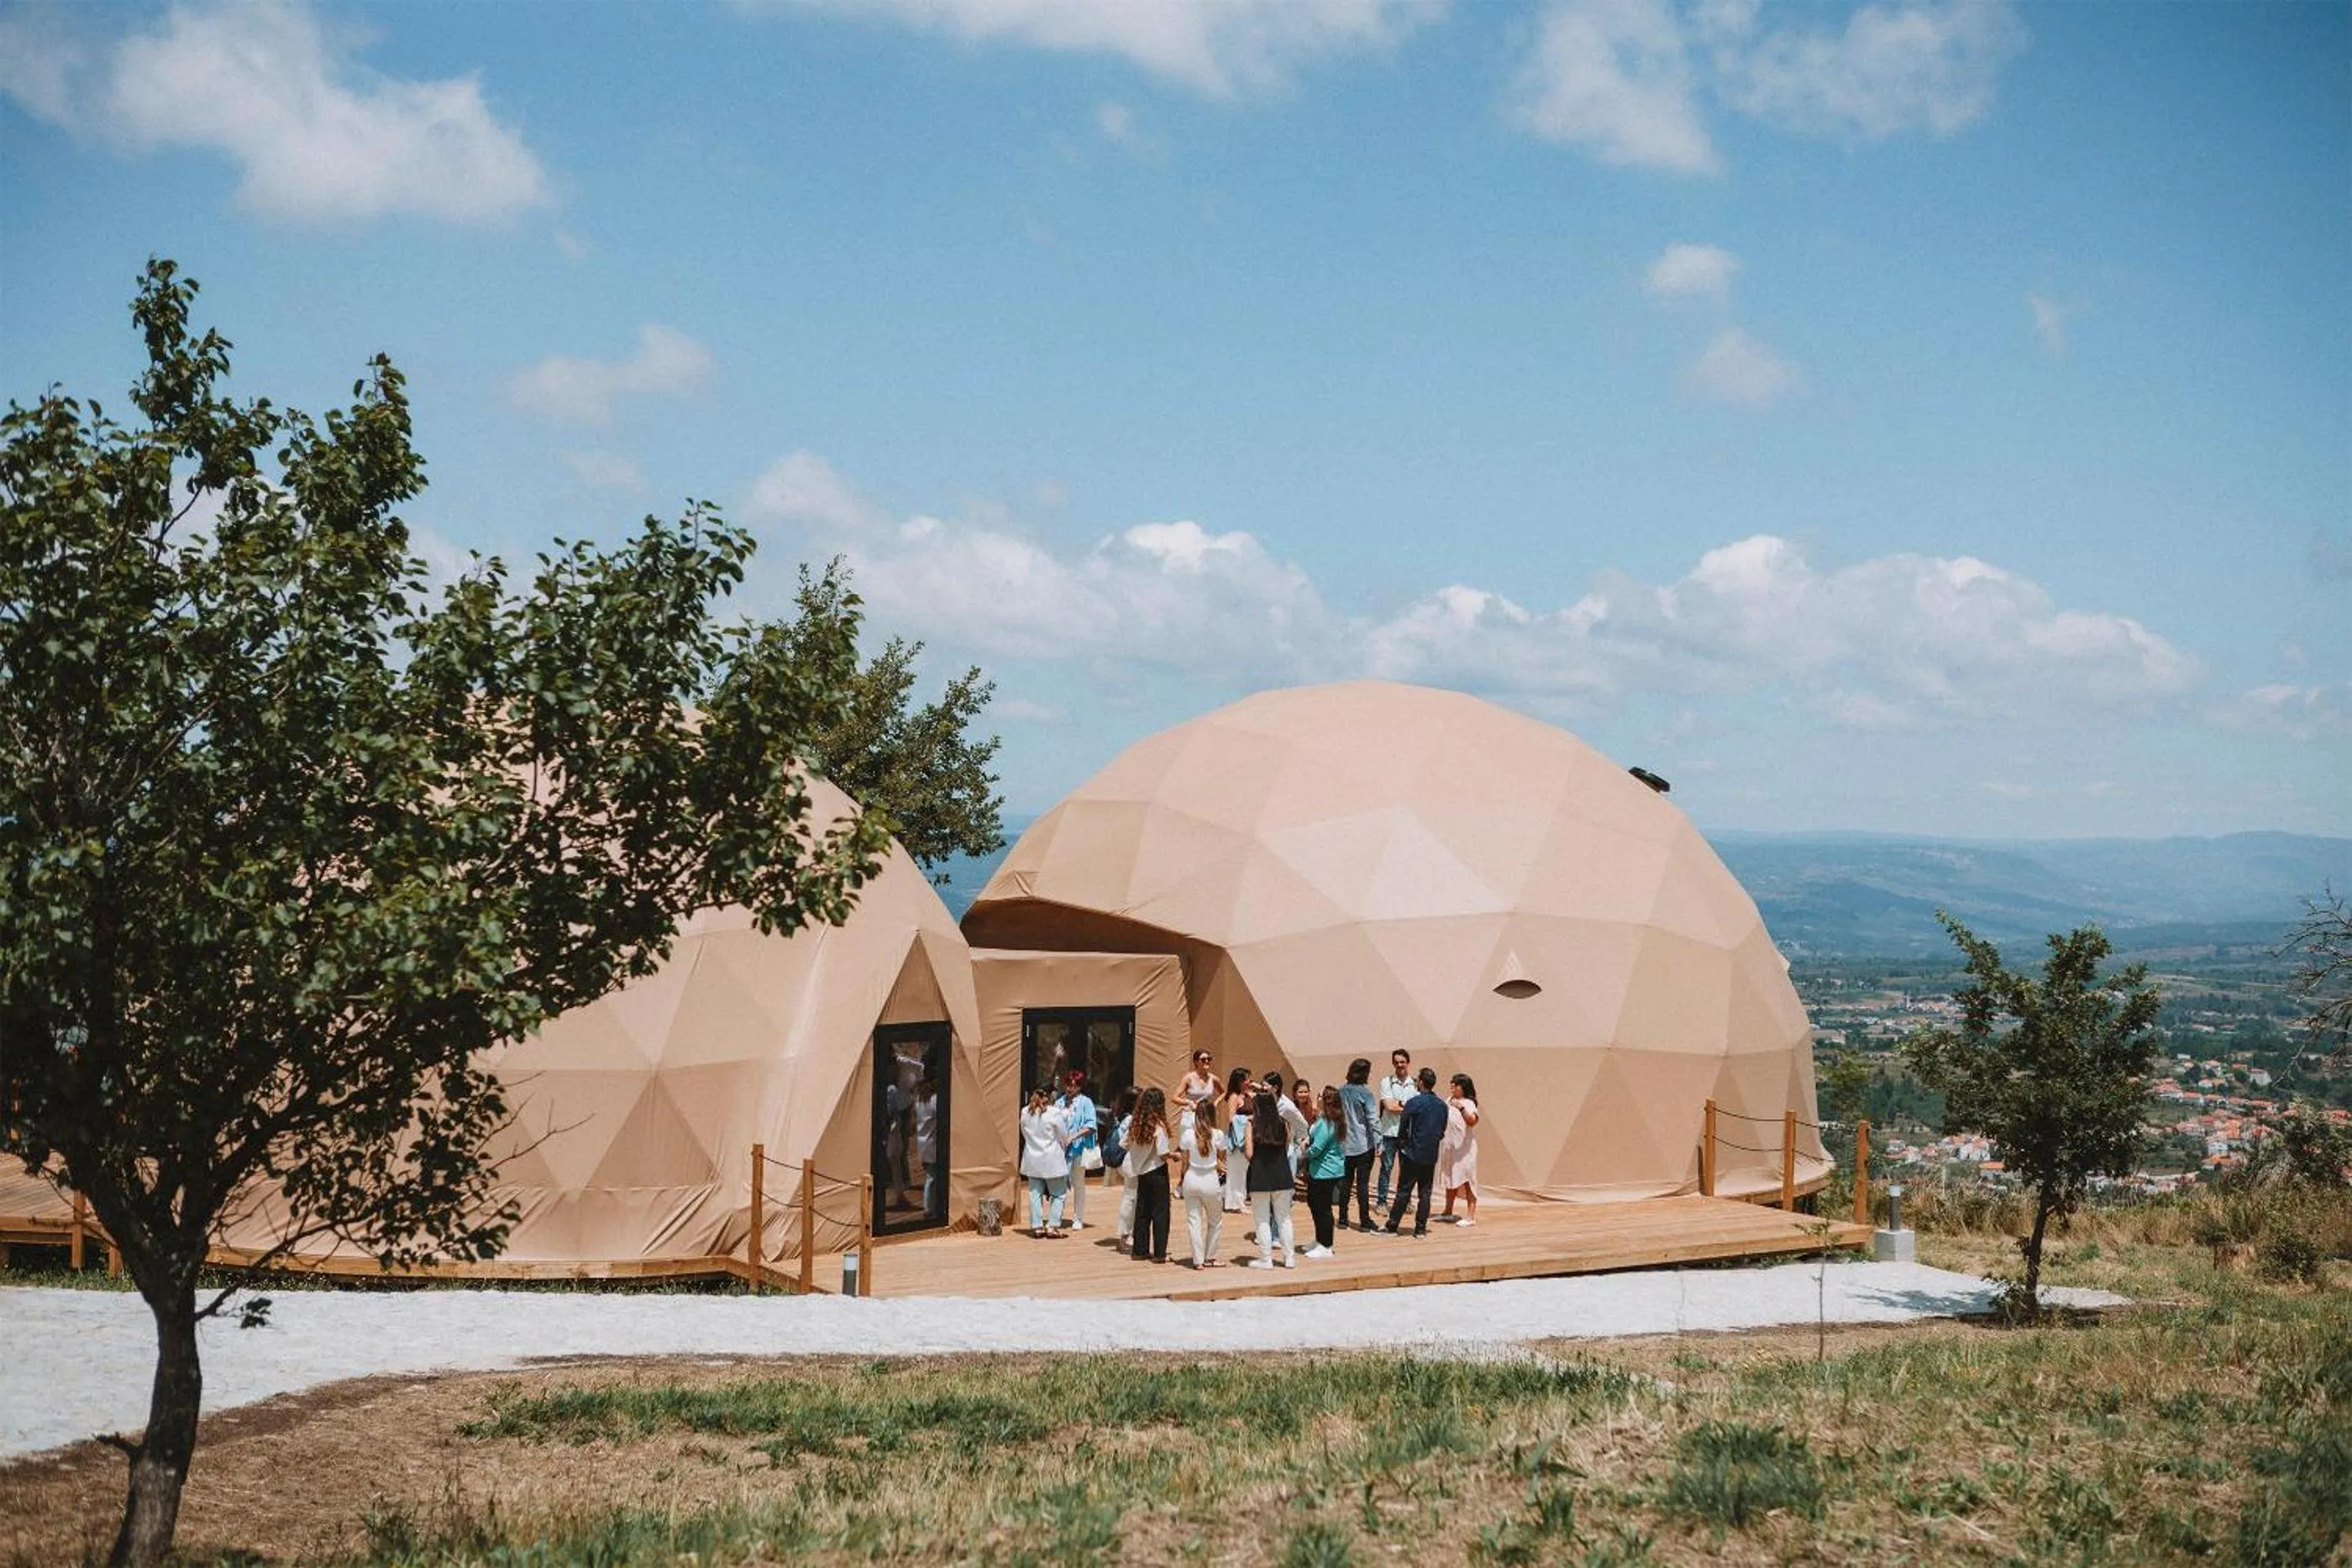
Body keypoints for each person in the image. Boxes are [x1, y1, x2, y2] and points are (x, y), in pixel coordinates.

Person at [1383, 1067, 1447, 1239]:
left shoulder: (1414, 1103)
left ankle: (1392, 1226)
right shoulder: (1442, 1105)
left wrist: (1402, 1145)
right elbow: (1442, 1130)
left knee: (1404, 1191)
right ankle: (1420, 1228)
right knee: (1425, 1193)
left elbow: (1403, 1126)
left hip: (1412, 1153)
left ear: (1421, 1082)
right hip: (1430, 1154)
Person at [1244, 1088, 1297, 1268]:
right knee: (1284, 1219)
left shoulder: (1251, 1124)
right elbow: (1286, 1147)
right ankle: (1289, 1258)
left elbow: (1249, 1154)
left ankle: (1266, 1259)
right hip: (1282, 1175)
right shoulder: (1283, 1124)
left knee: (1262, 1220)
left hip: (1260, 1176)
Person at [1126, 1088, 1173, 1263]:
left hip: (1141, 1172)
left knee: (1142, 1211)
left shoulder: (1135, 1124)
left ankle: (1140, 1250)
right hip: (1157, 1170)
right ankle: (1160, 1253)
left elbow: (1123, 1143)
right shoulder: (1158, 1126)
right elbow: (1163, 1153)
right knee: (1160, 1212)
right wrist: (1175, 1155)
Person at [1019, 1083, 1071, 1239]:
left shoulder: (1025, 1111)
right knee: (1058, 1194)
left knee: (1035, 1194)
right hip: (1051, 1159)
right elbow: (1064, 1135)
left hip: (1032, 1158)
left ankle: (1037, 1226)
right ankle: (1052, 1226)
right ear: (1050, 1096)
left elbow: (1024, 1133)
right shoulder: (1054, 1112)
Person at [1302, 1087, 1347, 1258]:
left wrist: (1304, 1151)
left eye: (1320, 1096)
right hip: (1326, 1170)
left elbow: (1317, 1148)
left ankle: (1326, 1245)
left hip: (1324, 1171)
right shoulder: (1331, 1120)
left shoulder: (1327, 1122)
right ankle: (1320, 1239)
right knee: (1316, 1205)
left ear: (1325, 1101)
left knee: (1322, 1208)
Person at [1179, 1105, 1226, 1268]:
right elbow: (1221, 1157)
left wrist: (1182, 1181)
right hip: (1210, 1179)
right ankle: (1210, 1257)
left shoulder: (1187, 1134)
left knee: (1194, 1221)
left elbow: (1184, 1163)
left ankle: (1197, 1260)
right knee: (1215, 1221)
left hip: (1191, 1178)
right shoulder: (1218, 1135)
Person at [1338, 1058, 1378, 1230]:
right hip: (1363, 1145)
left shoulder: (1340, 1092)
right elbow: (1372, 1120)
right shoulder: (1366, 1094)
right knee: (1362, 1185)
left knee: (1345, 1183)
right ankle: (1364, 1220)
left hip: (1345, 1145)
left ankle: (1342, 1218)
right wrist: (1379, 1141)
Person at [1439, 1072, 1483, 1227]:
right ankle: (1448, 1211)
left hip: (1465, 1150)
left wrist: (1461, 1108)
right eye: (1452, 1083)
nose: (1452, 1086)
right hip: (1450, 1148)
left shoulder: (1469, 1103)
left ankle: (1470, 1216)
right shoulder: (1448, 1100)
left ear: (1463, 1087)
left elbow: (1472, 1121)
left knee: (1467, 1179)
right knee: (1450, 1178)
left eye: (1455, 1084)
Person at [1057, 1071, 1098, 1231]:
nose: (1070, 1088)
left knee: (1078, 1183)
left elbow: (1091, 1125)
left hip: (1078, 1149)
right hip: (1061, 1150)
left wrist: (1073, 1137)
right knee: (1059, 1183)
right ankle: (1056, 1216)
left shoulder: (1086, 1102)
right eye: (1068, 1084)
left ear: (1080, 1087)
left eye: (1074, 1085)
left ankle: (1078, 1218)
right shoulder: (1059, 1102)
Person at [1376, 1049, 1414, 1212]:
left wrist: (1399, 1104)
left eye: (1402, 1062)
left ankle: (1404, 1201)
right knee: (1386, 1168)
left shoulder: (1414, 1083)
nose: (1399, 1065)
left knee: (1407, 1170)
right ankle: (1381, 1202)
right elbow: (1389, 1106)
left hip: (1407, 1133)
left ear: (1408, 1063)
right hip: (1389, 1132)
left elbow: (1416, 1108)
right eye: (1396, 1062)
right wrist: (1407, 1106)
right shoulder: (1387, 1082)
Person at [1105, 1087, 1139, 1248]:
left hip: (1125, 1162)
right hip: (1130, 1162)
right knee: (1131, 1198)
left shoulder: (1121, 1117)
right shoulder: (1132, 1120)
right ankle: (1126, 1234)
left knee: (1129, 1196)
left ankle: (1127, 1233)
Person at [1220, 1068, 1254, 1215]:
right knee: (1236, 1173)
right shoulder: (1234, 1097)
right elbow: (1231, 1118)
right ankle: (1235, 1203)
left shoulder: (1248, 1095)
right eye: (1246, 1079)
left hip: (1248, 1139)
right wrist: (1249, 1118)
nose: (1249, 1082)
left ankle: (1238, 1201)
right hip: (1237, 1141)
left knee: (1242, 1173)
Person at [914, 1072, 941, 1216]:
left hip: (921, 1142)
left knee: (930, 1175)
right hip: (932, 1143)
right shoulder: (934, 1100)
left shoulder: (918, 1101)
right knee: (931, 1177)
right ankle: (928, 1207)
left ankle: (932, 1205)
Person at [1177, 1050, 1221, 1125]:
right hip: (1191, 1116)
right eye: (1203, 1060)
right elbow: (1175, 1098)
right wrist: (1189, 1102)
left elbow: (1224, 1092)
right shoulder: (1188, 1078)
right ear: (1196, 1062)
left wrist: (1215, 1103)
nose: (1207, 1061)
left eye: (1209, 1059)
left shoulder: (1213, 1078)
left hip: (1207, 1116)